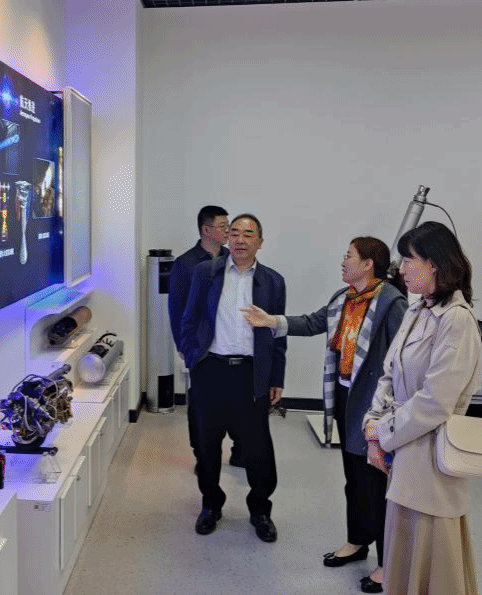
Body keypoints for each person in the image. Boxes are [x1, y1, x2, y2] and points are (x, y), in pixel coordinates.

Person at [243, 237, 407, 594]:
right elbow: (313, 322)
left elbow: (401, 360)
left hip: (375, 404)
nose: (343, 261)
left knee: (375, 483)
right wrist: (270, 321)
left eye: (349, 256)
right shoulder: (344, 298)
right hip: (347, 397)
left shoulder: (391, 302)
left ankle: (387, 563)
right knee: (354, 478)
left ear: (368, 264)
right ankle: (357, 540)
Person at [363, 221, 482, 595]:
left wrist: (383, 433)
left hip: (431, 457)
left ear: (434, 264)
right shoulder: (416, 311)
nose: (401, 268)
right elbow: (388, 373)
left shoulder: (457, 320)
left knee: (432, 557)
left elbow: (436, 401)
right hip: (405, 450)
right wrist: (372, 426)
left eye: (408, 259)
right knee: (402, 551)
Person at [179, 214, 286, 542]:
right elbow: (189, 318)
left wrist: (276, 377)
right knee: (207, 445)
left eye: (248, 234)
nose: (240, 240)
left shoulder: (272, 281)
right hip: (211, 370)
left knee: (257, 448)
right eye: (235, 233)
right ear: (227, 239)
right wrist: (193, 358)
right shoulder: (206, 272)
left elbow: (278, 334)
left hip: (250, 375)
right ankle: (211, 505)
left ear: (260, 242)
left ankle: (260, 510)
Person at [167, 206, 243, 468]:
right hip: (200, 347)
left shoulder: (233, 259)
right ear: (206, 230)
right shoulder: (186, 264)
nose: (228, 231)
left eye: (228, 226)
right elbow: (176, 309)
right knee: (201, 406)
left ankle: (239, 449)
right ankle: (202, 455)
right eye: (223, 226)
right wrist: (184, 345)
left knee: (236, 401)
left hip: (231, 345)